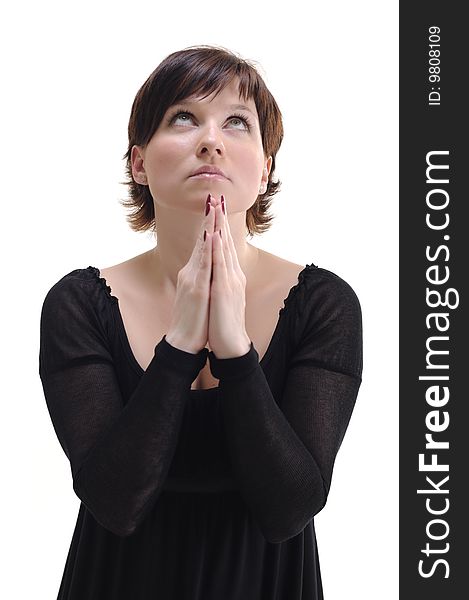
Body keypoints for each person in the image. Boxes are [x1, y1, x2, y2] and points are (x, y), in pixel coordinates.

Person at [39, 45, 363, 600]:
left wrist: (236, 351)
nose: (211, 139)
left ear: (265, 170)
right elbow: (114, 502)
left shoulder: (324, 303)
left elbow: (290, 507)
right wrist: (181, 344)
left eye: (237, 122)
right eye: (183, 117)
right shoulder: (77, 303)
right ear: (139, 163)